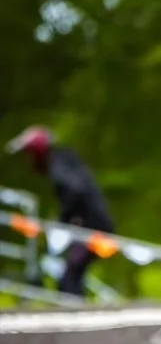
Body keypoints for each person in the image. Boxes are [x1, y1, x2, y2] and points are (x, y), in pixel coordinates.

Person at [5, 125, 115, 297]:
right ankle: (77, 309)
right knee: (71, 275)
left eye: (30, 155)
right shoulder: (64, 161)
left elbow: (76, 190)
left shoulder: (59, 166)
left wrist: (65, 220)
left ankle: (76, 313)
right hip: (90, 224)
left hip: (92, 227)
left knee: (69, 278)